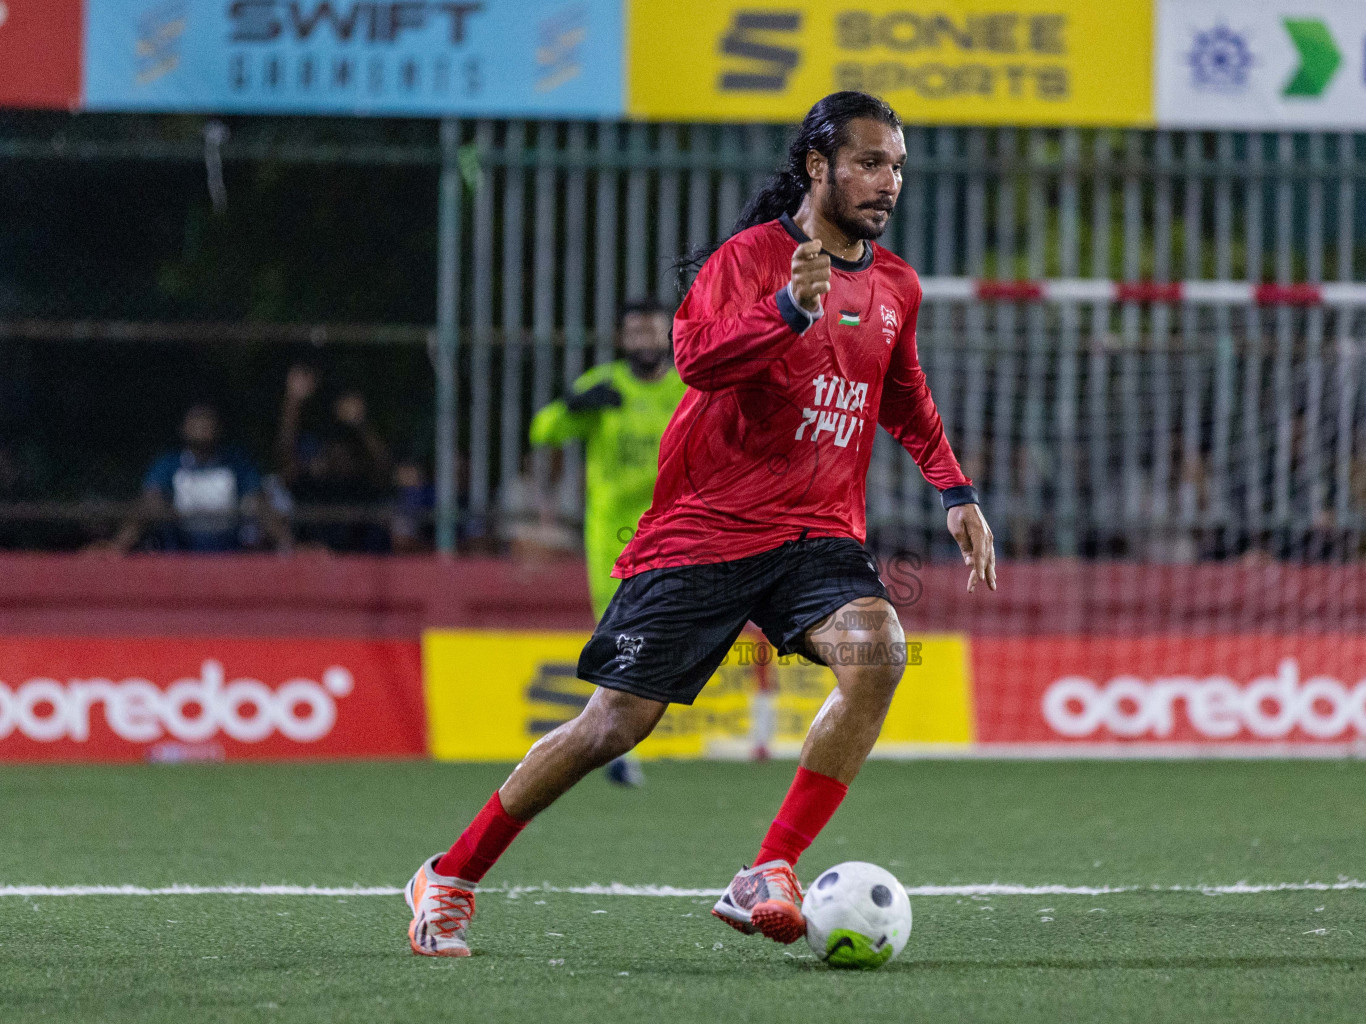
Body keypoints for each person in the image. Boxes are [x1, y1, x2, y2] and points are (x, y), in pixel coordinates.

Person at [405, 91, 996, 957]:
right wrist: (788, 310)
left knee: (880, 651)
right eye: (870, 162)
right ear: (818, 167)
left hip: (816, 534)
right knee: (612, 726)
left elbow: (902, 397)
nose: (887, 181)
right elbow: (695, 358)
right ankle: (450, 875)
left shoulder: (896, 285)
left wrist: (955, 492)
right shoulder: (753, 259)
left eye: (897, 165)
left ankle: (768, 869)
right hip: (705, 531)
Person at [528, 297, 688, 787]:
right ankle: (617, 745)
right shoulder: (603, 385)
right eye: (634, 333)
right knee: (619, 633)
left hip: (677, 525)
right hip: (613, 533)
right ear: (622, 340)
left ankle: (625, 729)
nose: (643, 340)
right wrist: (574, 405)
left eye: (652, 331)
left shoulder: (687, 385)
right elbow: (543, 431)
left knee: (670, 629)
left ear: (667, 335)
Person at [108, 403, 291, 553]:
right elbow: (151, 497)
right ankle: (115, 551)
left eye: (207, 421)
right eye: (196, 420)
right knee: (148, 504)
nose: (202, 425)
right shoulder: (168, 464)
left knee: (258, 503)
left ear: (218, 428)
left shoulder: (237, 464)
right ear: (183, 428)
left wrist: (284, 539)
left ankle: (291, 549)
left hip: (229, 550)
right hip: (179, 550)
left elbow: (257, 500)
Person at [277, 366, 393, 553]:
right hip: (314, 559)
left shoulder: (359, 483)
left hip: (358, 559)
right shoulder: (310, 481)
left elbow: (383, 467)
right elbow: (286, 458)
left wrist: (361, 424)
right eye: (331, 450)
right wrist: (293, 401)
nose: (337, 456)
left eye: (343, 451)